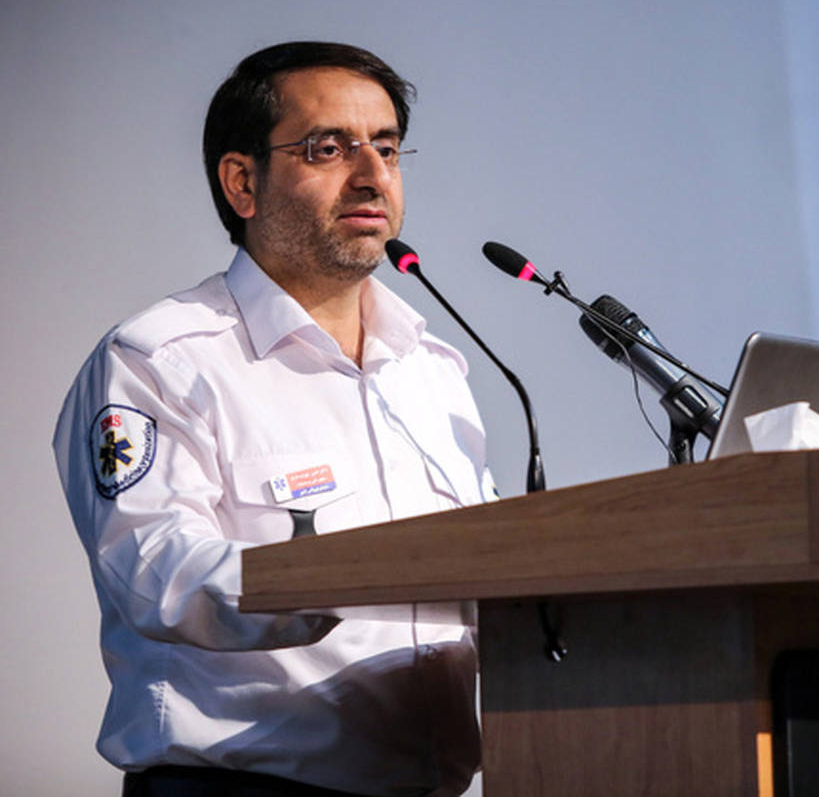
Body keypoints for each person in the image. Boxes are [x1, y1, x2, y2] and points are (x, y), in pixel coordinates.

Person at [52, 41, 492, 797]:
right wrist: (351, 576)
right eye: (329, 148)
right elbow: (155, 571)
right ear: (243, 182)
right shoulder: (162, 360)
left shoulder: (433, 369)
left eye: (387, 148)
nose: (372, 175)